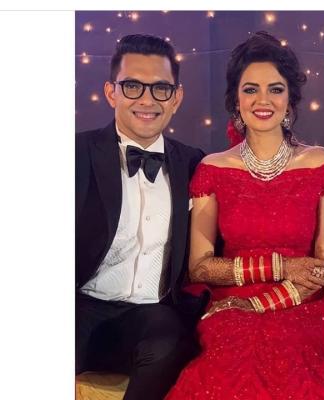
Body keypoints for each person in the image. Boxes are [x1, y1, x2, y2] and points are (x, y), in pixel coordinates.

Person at [166, 31, 324, 400]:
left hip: (303, 301)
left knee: (296, 365)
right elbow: (200, 267)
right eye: (250, 89)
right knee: (230, 364)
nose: (263, 100)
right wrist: (279, 269)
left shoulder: (320, 163)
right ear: (236, 99)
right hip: (231, 306)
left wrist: (261, 303)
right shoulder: (213, 168)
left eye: (275, 89)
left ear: (290, 99)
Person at [75, 34, 208, 400]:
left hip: (149, 318)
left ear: (176, 98)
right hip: (78, 307)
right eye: (132, 86)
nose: (147, 100)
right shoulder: (74, 153)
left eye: (161, 88)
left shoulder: (195, 163)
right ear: (111, 92)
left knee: (170, 340)